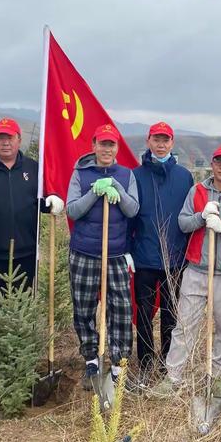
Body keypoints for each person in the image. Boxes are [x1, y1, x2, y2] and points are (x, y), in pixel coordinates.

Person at [0, 118, 63, 377]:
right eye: (0, 137)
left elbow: (37, 203)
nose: (5, 142)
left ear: (18, 140)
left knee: (24, 310)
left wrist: (51, 202)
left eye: (10, 137)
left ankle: (22, 359)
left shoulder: (32, 169)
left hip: (26, 254)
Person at [151, 144, 221, 397]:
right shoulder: (197, 191)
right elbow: (183, 223)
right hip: (196, 270)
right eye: (218, 161)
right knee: (185, 325)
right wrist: (201, 217)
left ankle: (218, 376)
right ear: (212, 164)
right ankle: (173, 377)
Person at [66, 123, 139, 389]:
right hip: (84, 252)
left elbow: (133, 210)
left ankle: (119, 365)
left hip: (116, 254)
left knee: (120, 310)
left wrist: (117, 189)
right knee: (84, 308)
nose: (107, 149)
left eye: (112, 144)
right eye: (103, 144)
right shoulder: (80, 173)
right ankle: (92, 361)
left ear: (117, 148)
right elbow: (72, 210)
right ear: (94, 146)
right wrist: (94, 192)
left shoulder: (126, 174)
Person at [130, 121, 193, 385]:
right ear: (148, 141)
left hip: (175, 259)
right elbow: (129, 215)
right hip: (144, 255)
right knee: (143, 313)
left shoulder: (184, 176)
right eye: (156, 139)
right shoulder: (135, 175)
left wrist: (189, 254)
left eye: (165, 139)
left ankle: (167, 361)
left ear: (172, 143)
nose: (161, 144)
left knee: (171, 313)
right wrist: (127, 249)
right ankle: (145, 363)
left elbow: (189, 215)